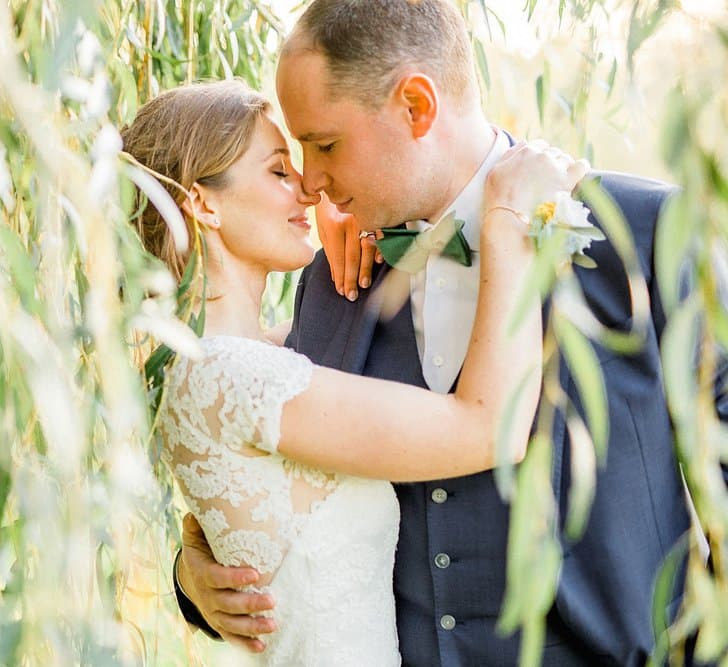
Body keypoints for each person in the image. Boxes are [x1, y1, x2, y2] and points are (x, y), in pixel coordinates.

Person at [174, 1, 728, 665]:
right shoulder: (335, 282)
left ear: (416, 105)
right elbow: (266, 485)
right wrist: (192, 575)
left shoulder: (648, 238)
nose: (312, 185)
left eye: (325, 145)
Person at [122, 79, 588, 665]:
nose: (311, 192)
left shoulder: (235, 358)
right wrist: (506, 220)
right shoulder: (228, 374)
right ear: (203, 203)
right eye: (277, 172)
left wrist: (373, 210)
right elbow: (487, 426)